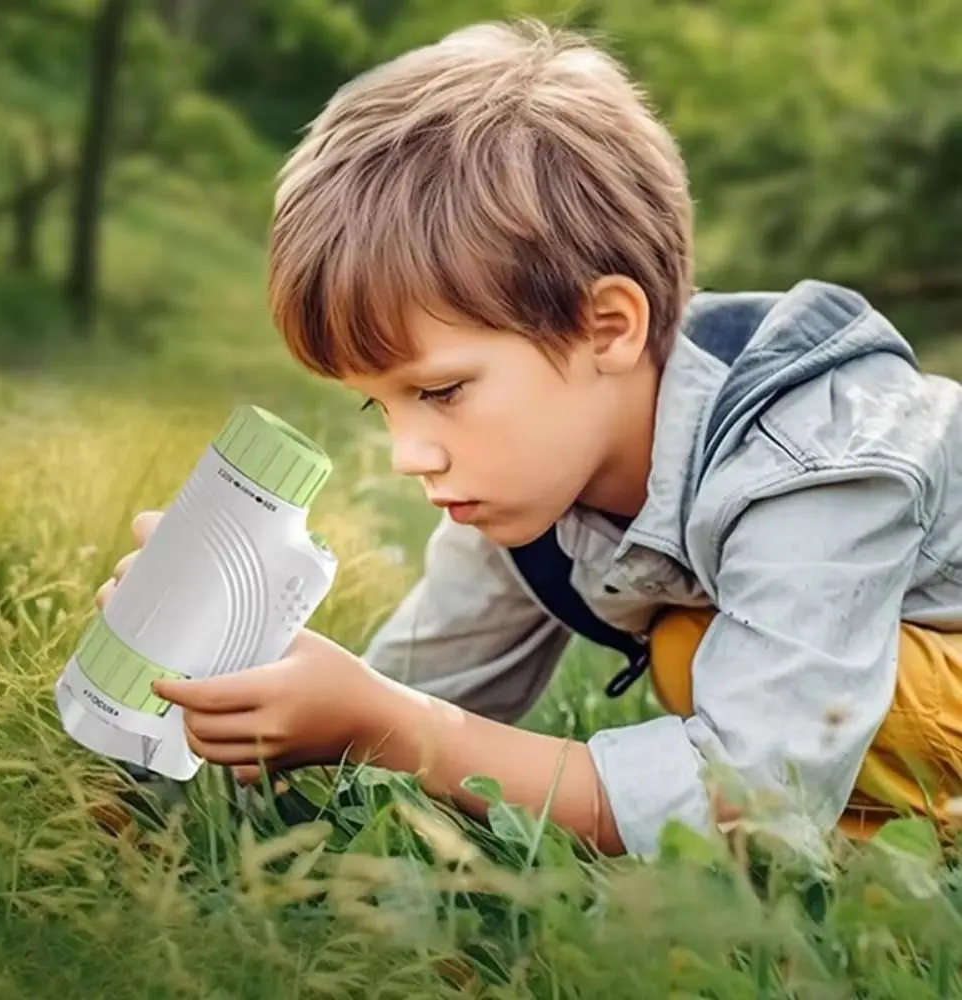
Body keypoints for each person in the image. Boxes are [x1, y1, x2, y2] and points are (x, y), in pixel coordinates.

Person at [96, 20, 962, 857]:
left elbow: (748, 802)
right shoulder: (526, 498)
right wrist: (231, 664)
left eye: (441, 391)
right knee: (693, 658)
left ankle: (893, 863)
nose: (410, 454)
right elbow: (403, 701)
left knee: (694, 660)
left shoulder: (812, 463)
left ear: (609, 328)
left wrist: (393, 726)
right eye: (382, 406)